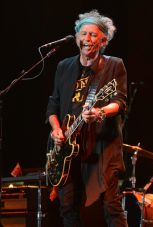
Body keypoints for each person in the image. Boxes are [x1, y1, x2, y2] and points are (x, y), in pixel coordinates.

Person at [46, 10, 128, 226]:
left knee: (111, 205)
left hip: (102, 146)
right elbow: (53, 105)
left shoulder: (113, 65)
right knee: (67, 207)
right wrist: (56, 129)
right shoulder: (64, 66)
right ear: (76, 38)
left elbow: (119, 102)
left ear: (103, 41)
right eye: (83, 34)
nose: (87, 39)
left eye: (93, 35)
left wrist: (100, 112)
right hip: (67, 150)